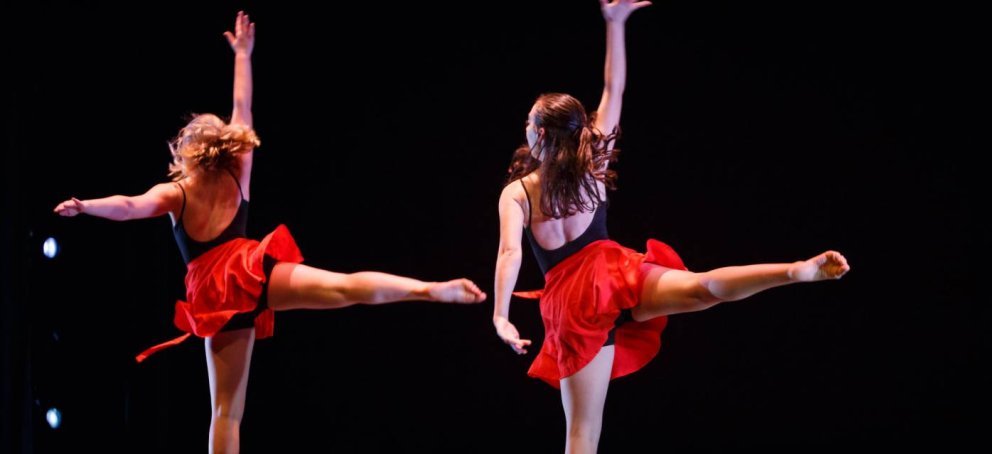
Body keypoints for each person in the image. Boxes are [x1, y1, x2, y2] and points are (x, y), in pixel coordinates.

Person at [54, 11, 486, 453]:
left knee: (225, 412)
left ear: (190, 150)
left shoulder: (176, 192)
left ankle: (431, 291)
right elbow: (243, 107)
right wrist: (243, 55)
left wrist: (86, 206)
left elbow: (129, 207)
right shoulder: (239, 167)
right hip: (250, 273)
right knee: (344, 287)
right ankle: (429, 290)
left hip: (216, 296)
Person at [492, 1, 850, 453]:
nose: (524, 127)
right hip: (614, 276)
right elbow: (613, 86)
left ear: (540, 135)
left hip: (574, 308)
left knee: (583, 432)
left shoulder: (518, 193)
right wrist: (616, 24)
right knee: (700, 288)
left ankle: (795, 272)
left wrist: (501, 315)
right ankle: (792, 270)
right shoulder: (594, 160)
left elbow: (511, 254)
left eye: (528, 122)